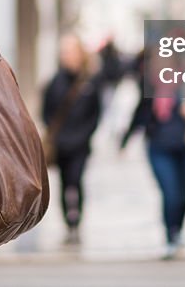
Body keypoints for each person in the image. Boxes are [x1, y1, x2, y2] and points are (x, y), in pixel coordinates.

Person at [120, 52, 185, 260]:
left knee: (184, 194)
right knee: (171, 193)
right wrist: (125, 140)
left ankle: (178, 229)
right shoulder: (150, 83)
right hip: (159, 147)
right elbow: (140, 112)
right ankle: (170, 235)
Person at [41, 34, 103, 246]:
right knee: (65, 182)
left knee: (76, 180)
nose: (67, 56)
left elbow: (96, 114)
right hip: (61, 144)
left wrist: (83, 135)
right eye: (64, 53)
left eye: (71, 52)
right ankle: (68, 220)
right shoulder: (55, 82)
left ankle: (77, 219)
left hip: (81, 144)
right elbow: (47, 112)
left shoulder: (89, 82)